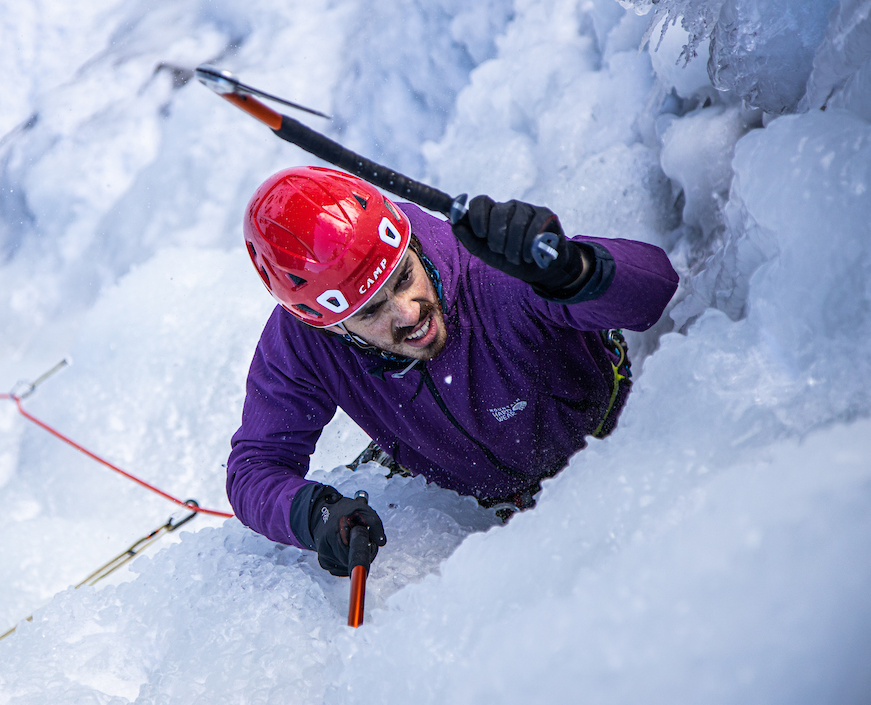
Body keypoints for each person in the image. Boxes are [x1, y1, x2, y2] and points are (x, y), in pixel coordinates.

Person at [226, 165, 678, 576]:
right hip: (466, 492)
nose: (408, 313)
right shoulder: (305, 341)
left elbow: (657, 290)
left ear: (408, 244)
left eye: (404, 277)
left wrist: (574, 269)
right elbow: (253, 469)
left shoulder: (493, 274)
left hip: (608, 445)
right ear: (330, 325)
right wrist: (313, 514)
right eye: (372, 312)